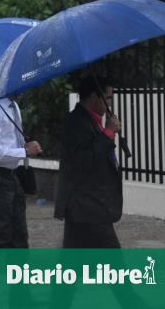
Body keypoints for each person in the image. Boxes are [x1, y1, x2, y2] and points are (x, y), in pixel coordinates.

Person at [54, 76, 123, 248]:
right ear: (94, 97)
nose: (110, 103)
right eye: (107, 98)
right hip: (86, 207)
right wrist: (107, 134)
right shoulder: (76, 122)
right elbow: (85, 161)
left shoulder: (93, 120)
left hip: (89, 207)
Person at [0, 97, 42, 248]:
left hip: (11, 175)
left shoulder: (14, 106)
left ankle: (17, 271)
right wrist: (24, 151)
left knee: (19, 233)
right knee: (1, 234)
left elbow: (10, 142)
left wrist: (26, 145)